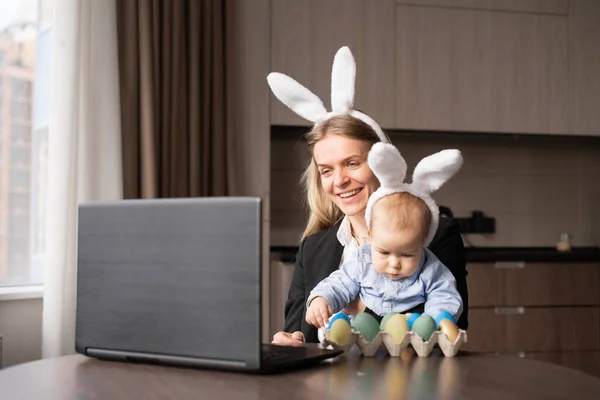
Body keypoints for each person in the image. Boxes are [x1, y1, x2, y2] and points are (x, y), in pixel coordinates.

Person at [267, 46, 468, 345]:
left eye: (351, 163)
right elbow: (302, 332)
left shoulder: (436, 235)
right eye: (326, 170)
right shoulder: (312, 250)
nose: (340, 181)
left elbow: (449, 327)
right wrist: (291, 342)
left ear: (380, 162)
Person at [306, 143, 463, 328]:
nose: (394, 263)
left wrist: (434, 320)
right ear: (371, 236)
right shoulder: (362, 259)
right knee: (353, 324)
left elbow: (444, 295)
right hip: (367, 332)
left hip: (408, 332)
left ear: (422, 242)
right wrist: (321, 299)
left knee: (421, 324)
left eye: (407, 254)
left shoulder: (430, 268)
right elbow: (339, 283)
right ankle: (343, 330)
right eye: (384, 253)